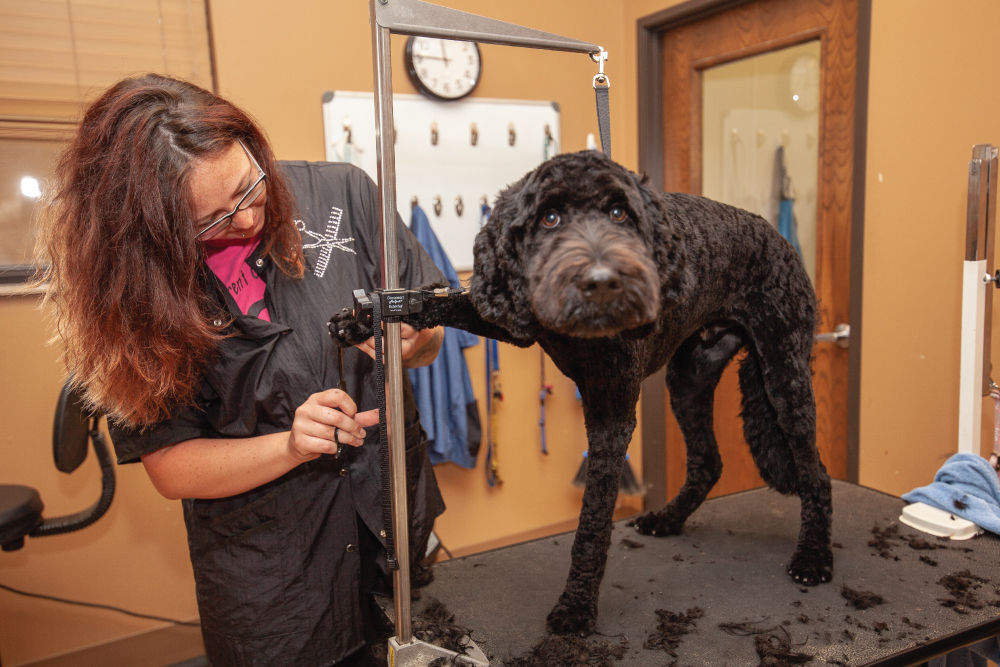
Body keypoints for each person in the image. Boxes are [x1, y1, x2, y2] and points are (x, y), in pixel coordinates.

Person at [37, 73, 447, 665]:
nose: (249, 219)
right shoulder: (139, 295)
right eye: (212, 220)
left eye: (249, 185)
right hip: (274, 582)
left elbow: (431, 336)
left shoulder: (346, 194)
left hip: (394, 529)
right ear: (157, 231)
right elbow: (172, 467)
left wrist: (413, 341)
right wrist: (290, 446)